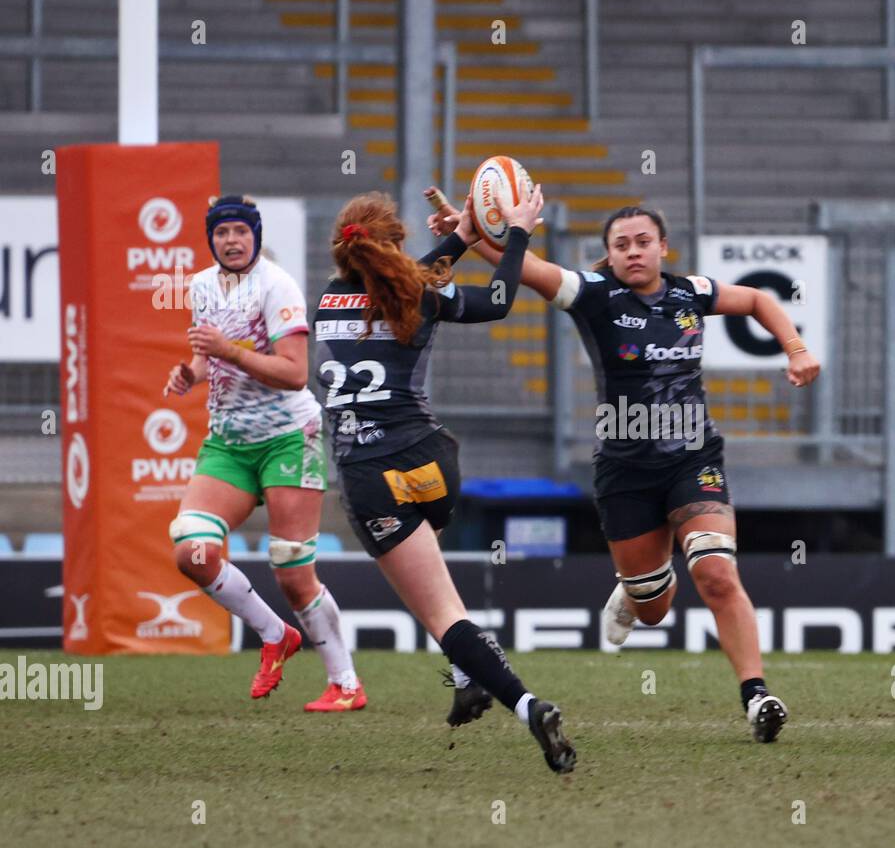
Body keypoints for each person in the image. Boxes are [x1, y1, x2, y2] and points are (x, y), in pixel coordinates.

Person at [461, 201, 820, 743]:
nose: (633, 251)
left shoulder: (691, 292)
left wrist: (795, 348)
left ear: (663, 247)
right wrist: (469, 236)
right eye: (622, 243)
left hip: (692, 458)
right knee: (653, 609)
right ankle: (634, 594)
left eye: (643, 240)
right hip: (625, 471)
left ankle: (757, 696)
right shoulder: (593, 294)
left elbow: (758, 299)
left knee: (716, 572)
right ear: (608, 254)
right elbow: (525, 267)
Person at [313, 188, 576, 773]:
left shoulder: (328, 300)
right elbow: (500, 299)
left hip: (370, 475)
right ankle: (465, 675)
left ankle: (526, 704)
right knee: (440, 584)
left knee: (444, 615)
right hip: (435, 464)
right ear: (396, 245)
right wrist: (509, 235)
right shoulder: (424, 294)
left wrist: (461, 237)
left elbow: (397, 279)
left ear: (342, 250)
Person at [165, 195, 360, 711]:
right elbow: (208, 354)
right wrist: (192, 372)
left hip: (287, 437)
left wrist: (229, 351)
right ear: (211, 239)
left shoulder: (278, 286)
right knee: (192, 550)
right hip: (229, 441)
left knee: (293, 574)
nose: (232, 240)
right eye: (223, 232)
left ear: (254, 236)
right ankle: (275, 635)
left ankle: (345, 683)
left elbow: (295, 371)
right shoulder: (202, 285)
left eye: (240, 231)